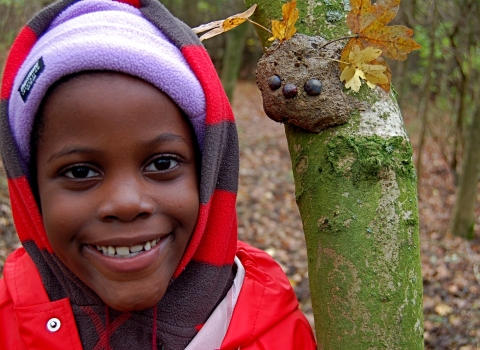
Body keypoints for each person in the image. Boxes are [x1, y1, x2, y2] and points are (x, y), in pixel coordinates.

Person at [0, 0, 316, 349]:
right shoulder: (8, 321)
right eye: (80, 171)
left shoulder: (273, 330)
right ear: (31, 190)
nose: (125, 203)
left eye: (161, 164)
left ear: (207, 172)